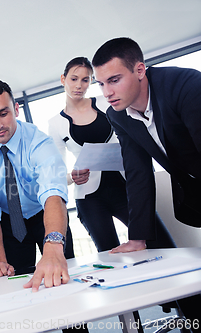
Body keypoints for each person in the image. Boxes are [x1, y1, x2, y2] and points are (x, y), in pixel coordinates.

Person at [92, 36, 201, 329]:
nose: (107, 92)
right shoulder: (118, 115)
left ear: (140, 70)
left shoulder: (187, 86)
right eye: (101, 84)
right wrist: (137, 236)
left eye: (114, 80)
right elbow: (137, 172)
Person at [48, 57, 175, 252]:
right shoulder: (55, 123)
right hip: (90, 198)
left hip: (127, 188)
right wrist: (71, 177)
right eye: (74, 79)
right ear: (63, 79)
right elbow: (56, 174)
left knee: (162, 244)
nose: (79, 85)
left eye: (86, 80)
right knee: (110, 255)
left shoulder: (107, 103)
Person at [0, 80, 78, 292]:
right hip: (9, 223)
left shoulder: (39, 142)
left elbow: (53, 192)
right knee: (16, 287)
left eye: (3, 113)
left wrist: (54, 246)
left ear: (16, 109)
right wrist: (0, 262)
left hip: (46, 215)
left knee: (62, 281)